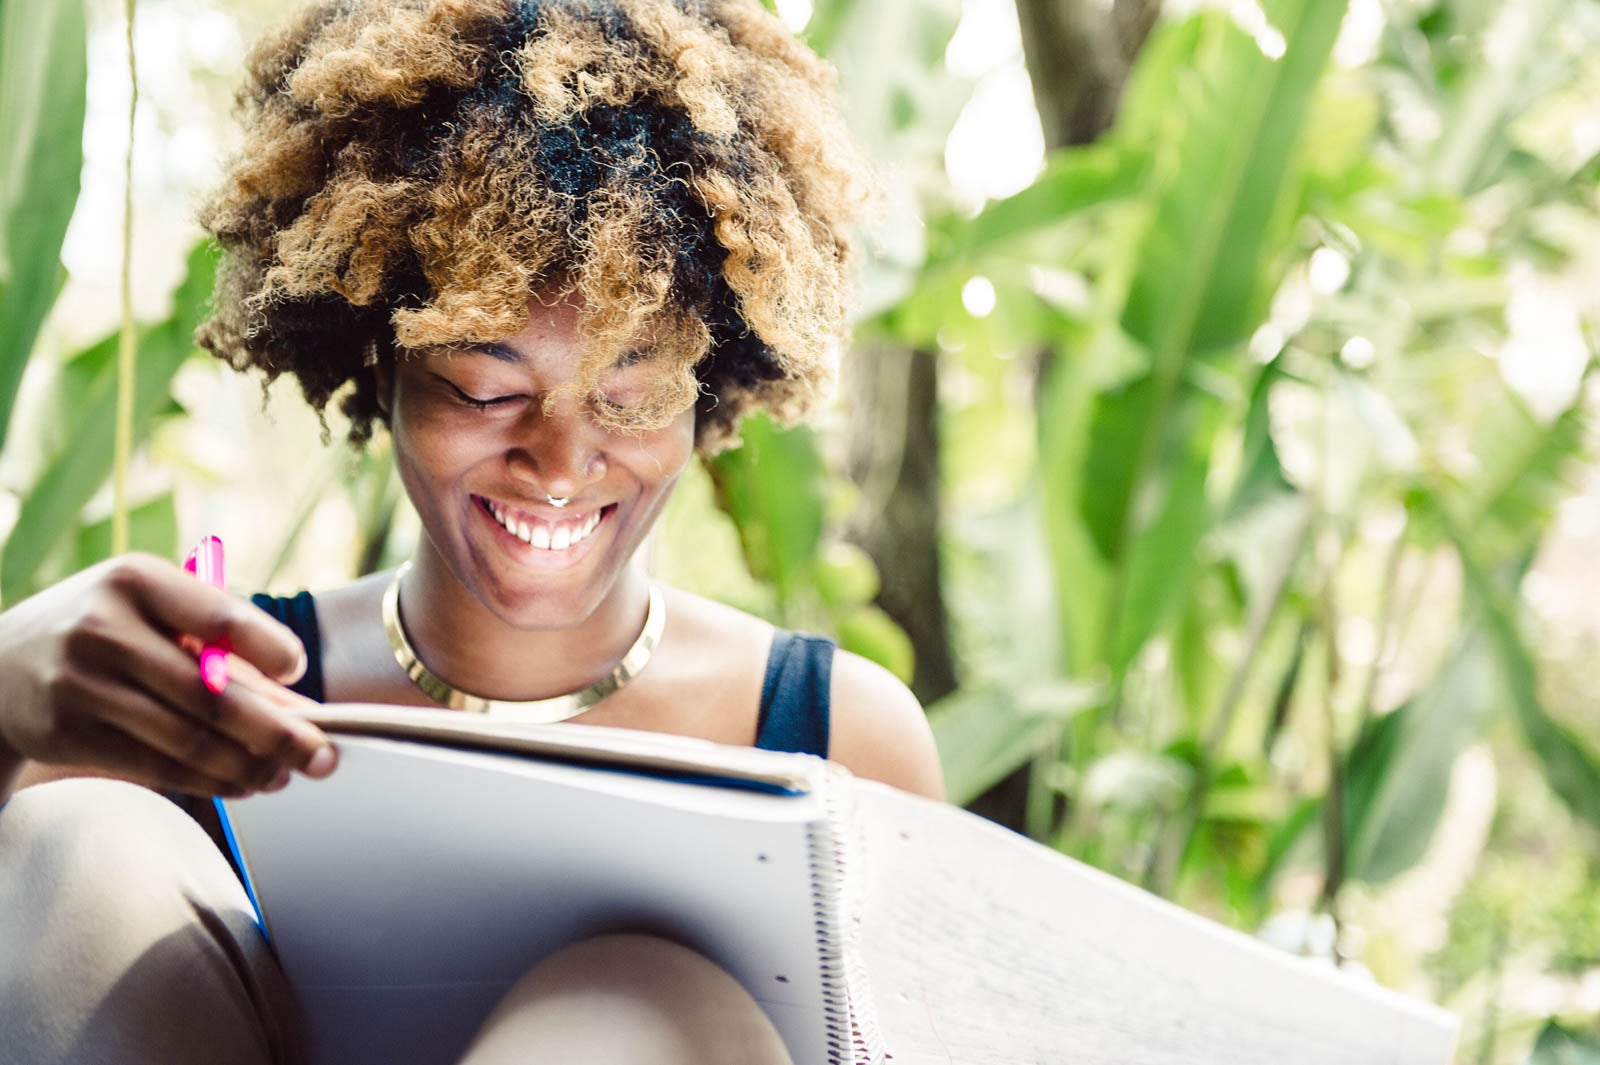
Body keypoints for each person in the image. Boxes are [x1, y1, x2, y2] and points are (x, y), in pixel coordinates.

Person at [0, 1, 945, 1062]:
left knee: (631, 1004)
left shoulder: (836, 738)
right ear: (379, 366)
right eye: (484, 388)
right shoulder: (203, 702)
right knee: (73, 833)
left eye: (632, 398)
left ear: (709, 394)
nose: (557, 460)